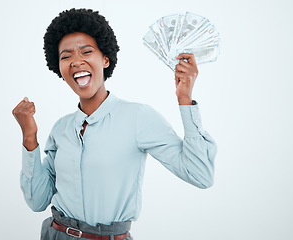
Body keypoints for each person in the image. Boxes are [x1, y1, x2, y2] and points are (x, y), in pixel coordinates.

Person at [12, 8, 216, 240]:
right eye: (66, 56)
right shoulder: (61, 129)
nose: (76, 61)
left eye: (86, 52)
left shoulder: (138, 117)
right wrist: (29, 136)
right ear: (58, 67)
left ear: (105, 59)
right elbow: (37, 201)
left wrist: (185, 100)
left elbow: (201, 175)